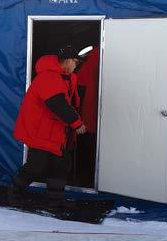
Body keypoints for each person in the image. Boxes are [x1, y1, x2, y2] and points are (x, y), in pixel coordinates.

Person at [10, 45, 86, 202]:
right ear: (66, 61)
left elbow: (70, 102)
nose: (76, 65)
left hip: (56, 131)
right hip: (41, 131)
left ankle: (55, 199)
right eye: (75, 62)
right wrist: (77, 123)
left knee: (62, 164)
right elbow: (57, 103)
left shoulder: (67, 78)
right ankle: (14, 191)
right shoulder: (48, 77)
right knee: (36, 166)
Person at [73, 45, 100, 185]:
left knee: (86, 151)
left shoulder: (91, 58)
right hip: (97, 116)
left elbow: (79, 86)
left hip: (87, 116)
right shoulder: (96, 56)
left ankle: (84, 179)